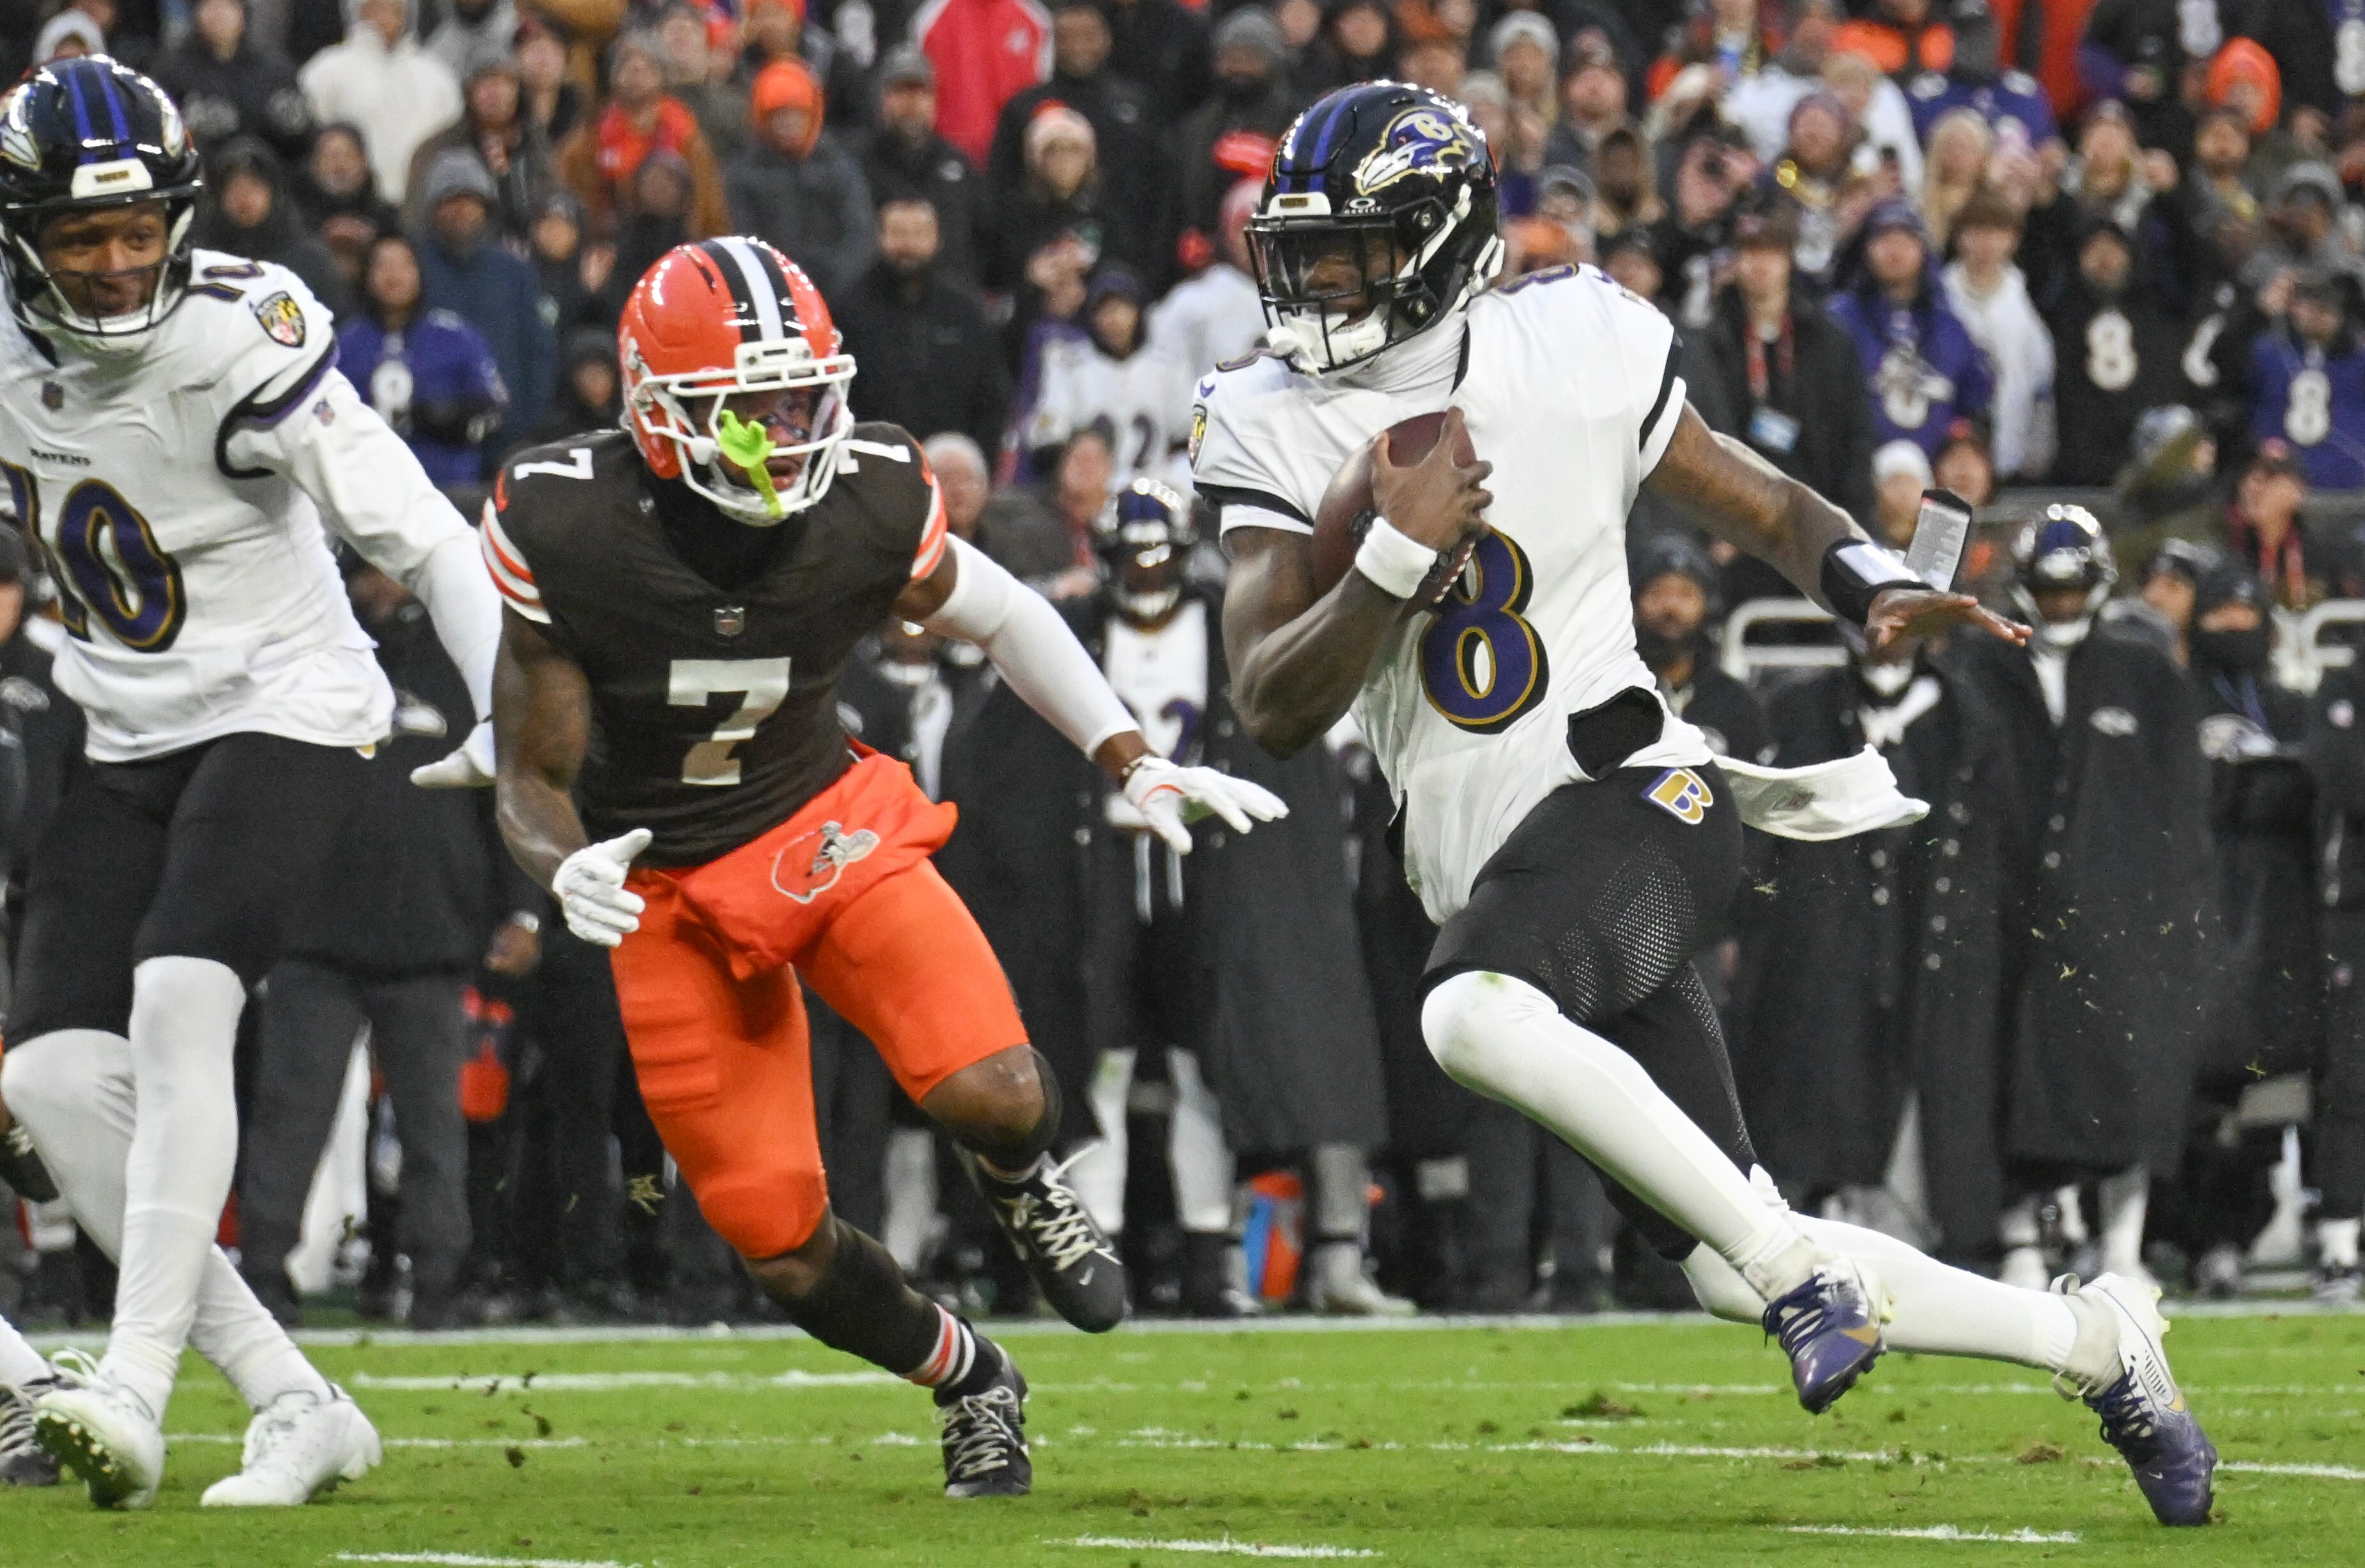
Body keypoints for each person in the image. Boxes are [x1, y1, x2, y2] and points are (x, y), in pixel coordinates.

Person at [1196, 80, 2214, 1526]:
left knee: (1464, 1012)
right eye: (1302, 252)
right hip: (1500, 879)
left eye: (1350, 254)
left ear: (1432, 244)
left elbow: (1774, 511)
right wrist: (1379, 563)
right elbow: (1267, 703)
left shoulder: (1574, 343)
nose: (1316, 286)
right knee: (1727, 1260)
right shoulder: (1266, 420)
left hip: (1640, 801)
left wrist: (1873, 586)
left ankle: (1812, 1279)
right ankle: (2101, 1339)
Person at [483, 236, 1285, 1497]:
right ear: (652, 415)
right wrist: (562, 866)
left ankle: (1021, 1184)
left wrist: (1131, 757)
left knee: (1000, 1090)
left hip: (820, 825)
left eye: (795, 401)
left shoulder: (865, 494)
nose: (779, 435)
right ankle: (970, 1378)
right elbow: (526, 768)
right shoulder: (564, 519)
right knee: (775, 1240)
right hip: (668, 889)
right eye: (740, 415)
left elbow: (1007, 612)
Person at [0, 57, 502, 1509]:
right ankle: (295, 1396)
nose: (112, 262)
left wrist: (491, 717)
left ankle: (134, 1382)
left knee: (177, 996)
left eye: (133, 228)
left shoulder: (243, 332)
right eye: (79, 236)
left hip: (291, 700)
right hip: (121, 722)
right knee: (47, 1076)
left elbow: (426, 535)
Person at [943, 482, 1399, 1318]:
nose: (1145, 577)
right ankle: (1098, 1244)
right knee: (1098, 1060)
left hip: (1208, 868)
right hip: (1105, 868)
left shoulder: (1233, 626)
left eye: (1158, 558)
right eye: (1129, 559)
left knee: (1205, 1063)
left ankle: (1204, 1257)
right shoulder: (1074, 630)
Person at [238, 555, 542, 1331]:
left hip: (432, 943)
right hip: (314, 942)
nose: (385, 589)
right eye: (371, 573)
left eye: (395, 572)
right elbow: (262, 799)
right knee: (289, 1122)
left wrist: (523, 912)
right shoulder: (307, 662)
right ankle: (263, 1278)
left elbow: (507, 797)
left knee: (436, 1129)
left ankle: (439, 1285)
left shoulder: (469, 667)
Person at [1949, 512, 2214, 1301]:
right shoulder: (1983, 667)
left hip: (2121, 911)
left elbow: (2182, 801)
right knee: (2006, 1075)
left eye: (2072, 590)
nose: (2060, 605)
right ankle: (2021, 1234)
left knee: (2129, 1080)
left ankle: (2122, 1243)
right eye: (2048, 590)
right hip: (2010, 905)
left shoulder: (2145, 671)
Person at [1735, 615, 2016, 1270]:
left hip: (1936, 922)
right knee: (1823, 1080)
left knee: (1946, 1081)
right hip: (1831, 926)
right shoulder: (1799, 708)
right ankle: (1820, 1228)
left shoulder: (1964, 711)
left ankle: (1959, 1234)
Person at [1679, 201, 1874, 529]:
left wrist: (1852, 521)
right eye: (1751, 252)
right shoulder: (1714, 342)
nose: (1761, 264)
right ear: (1735, 261)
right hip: (1738, 516)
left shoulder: (1827, 341)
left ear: (1788, 259)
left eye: (1772, 252)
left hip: (1817, 507)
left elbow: (1854, 433)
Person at [832, 198, 1010, 458]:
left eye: (919, 234)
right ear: (879, 237)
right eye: (898, 234)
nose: (909, 246)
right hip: (871, 463)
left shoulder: (965, 311)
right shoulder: (849, 311)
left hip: (951, 467)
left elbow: (991, 396)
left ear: (937, 239)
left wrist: (975, 461)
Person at [1827, 199, 1994, 461]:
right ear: (1865, 249)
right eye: (1884, 240)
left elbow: (1975, 405)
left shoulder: (1950, 327)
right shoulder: (1838, 320)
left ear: (1922, 250)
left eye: (1906, 241)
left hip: (1934, 480)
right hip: (1853, 476)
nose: (1895, 251)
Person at [341, 231, 510, 488]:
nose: (394, 275)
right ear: (366, 275)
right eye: (383, 265)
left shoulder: (457, 336)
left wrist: (456, 420)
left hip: (447, 491)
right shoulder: (344, 344)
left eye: (404, 265)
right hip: (365, 491)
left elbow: (496, 409)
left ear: (420, 273)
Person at [415, 150, 557, 453]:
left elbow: (539, 350)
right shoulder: (415, 269)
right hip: (435, 442)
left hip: (509, 436)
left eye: (469, 200)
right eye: (449, 200)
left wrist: (526, 424)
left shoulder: (514, 270)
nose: (460, 210)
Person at [2046, 217, 2193, 486]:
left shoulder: (2154, 310)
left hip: (2149, 462)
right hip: (2084, 467)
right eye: (2094, 251)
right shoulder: (2064, 315)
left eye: (2114, 250)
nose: (2105, 260)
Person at [723, 58, 877, 302]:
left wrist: (833, 284)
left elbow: (860, 237)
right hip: (769, 297)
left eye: (797, 114)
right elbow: (743, 241)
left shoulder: (839, 167)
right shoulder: (742, 174)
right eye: (777, 115)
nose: (787, 124)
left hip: (840, 298)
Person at [1021, 267, 1189, 489]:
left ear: (1139, 312)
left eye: (1122, 309)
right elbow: (1046, 442)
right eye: (1104, 311)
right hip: (1091, 494)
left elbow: (1189, 440)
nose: (1114, 320)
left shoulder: (1167, 367)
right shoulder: (1069, 364)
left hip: (1153, 495)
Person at [1939, 187, 2055, 481]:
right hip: (1947, 457)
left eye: (1996, 232)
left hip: (2010, 457)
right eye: (1976, 231)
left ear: (2012, 239)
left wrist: (2035, 455)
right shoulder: (1940, 297)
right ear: (1960, 237)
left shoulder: (2027, 300)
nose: (1986, 243)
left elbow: (2041, 381)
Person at [297, 0, 461, 204]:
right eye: (375, 8)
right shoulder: (326, 71)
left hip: (423, 203)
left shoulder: (436, 75)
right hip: (351, 205)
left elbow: (452, 135)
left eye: (395, 9)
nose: (385, 18)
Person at [1629, 534, 1772, 765]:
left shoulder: (1735, 703)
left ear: (1708, 605)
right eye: (1658, 592)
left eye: (1686, 593)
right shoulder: (1613, 692)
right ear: (1634, 603)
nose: (1671, 607)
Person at [401, 52, 561, 244]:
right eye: (485, 83)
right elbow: (415, 220)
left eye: (506, 82)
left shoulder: (536, 144)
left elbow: (555, 199)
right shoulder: (438, 149)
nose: (496, 92)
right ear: (468, 92)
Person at [858, 45, 985, 283]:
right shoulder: (856, 163)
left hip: (949, 299)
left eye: (920, 92)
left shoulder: (958, 164)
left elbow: (982, 244)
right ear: (882, 98)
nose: (911, 103)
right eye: (900, 92)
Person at [190, 136, 354, 320]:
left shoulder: (310, 260)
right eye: (234, 187)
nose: (244, 197)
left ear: (274, 192)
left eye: (254, 186)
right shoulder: (203, 260)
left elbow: (336, 325)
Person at [150, 0, 313, 166]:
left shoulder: (275, 69)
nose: (219, 15)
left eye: (228, 6)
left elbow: (303, 139)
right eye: (210, 6)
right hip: (204, 174)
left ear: (243, 13)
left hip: (270, 174)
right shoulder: (171, 70)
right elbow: (157, 133)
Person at [2249, 270, 2365, 493]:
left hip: (2351, 481)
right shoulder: (2269, 353)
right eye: (2308, 304)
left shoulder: (2358, 363)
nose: (2316, 314)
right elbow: (2251, 402)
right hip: (2281, 483)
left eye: (2324, 308)